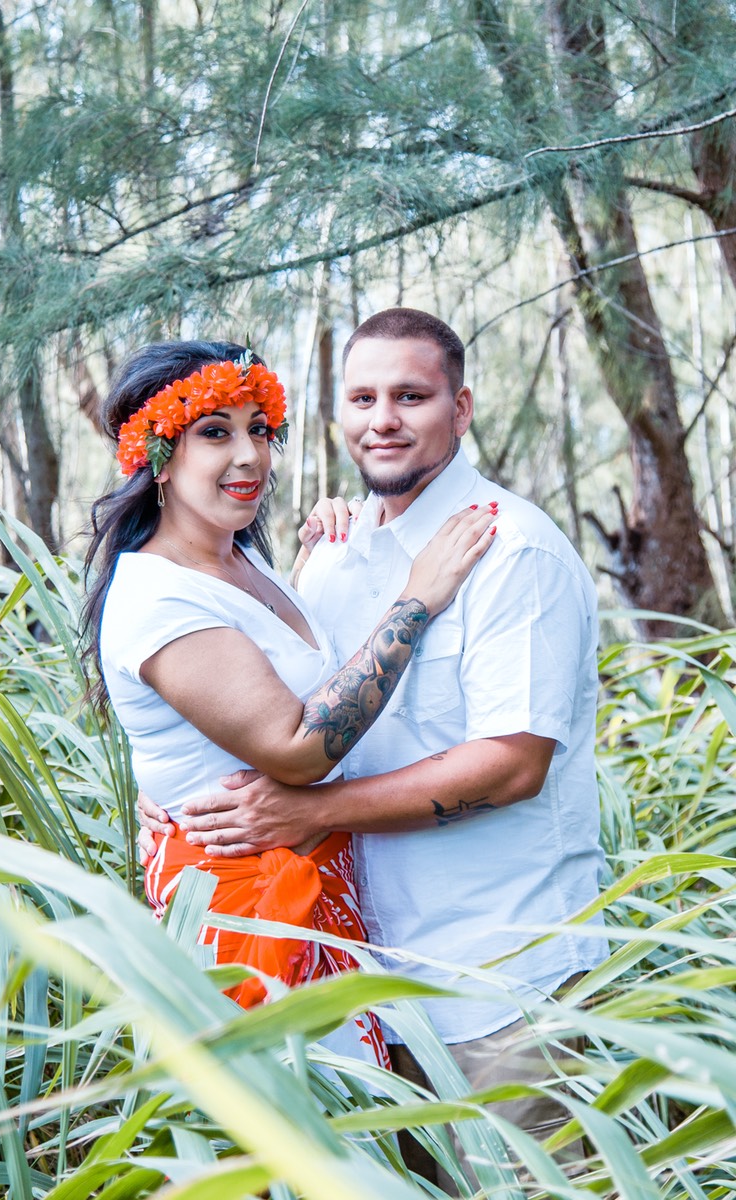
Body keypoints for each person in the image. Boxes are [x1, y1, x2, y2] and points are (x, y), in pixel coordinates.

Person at [138, 310, 607, 1182]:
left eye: (411, 397)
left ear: (461, 409)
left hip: (498, 983)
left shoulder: (513, 553)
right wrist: (174, 786)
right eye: (362, 398)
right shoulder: (334, 553)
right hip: (366, 992)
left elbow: (513, 765)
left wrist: (306, 813)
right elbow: (288, 706)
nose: (382, 419)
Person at [81, 337, 497, 1067]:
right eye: (216, 433)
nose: (250, 457)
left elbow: (276, 668)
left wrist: (324, 553)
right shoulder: (157, 596)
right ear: (158, 456)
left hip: (319, 902)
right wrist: (417, 598)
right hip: (247, 922)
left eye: (259, 430)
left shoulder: (241, 559)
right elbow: (298, 749)